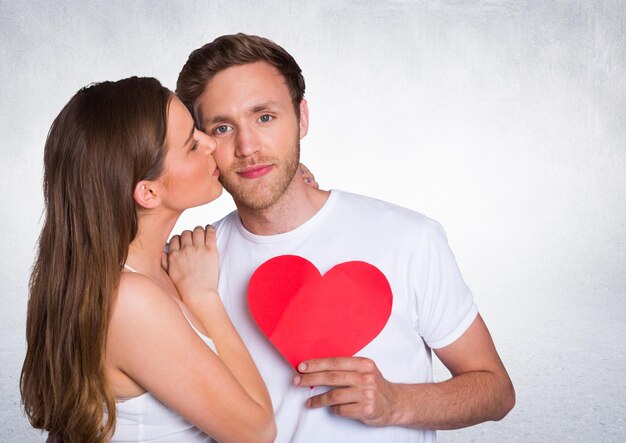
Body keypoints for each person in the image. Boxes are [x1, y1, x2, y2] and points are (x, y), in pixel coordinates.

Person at [175, 33, 516, 442]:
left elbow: (496, 389)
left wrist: (398, 402)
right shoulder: (188, 268)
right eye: (224, 127)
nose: (247, 147)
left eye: (265, 117)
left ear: (301, 118)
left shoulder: (409, 238)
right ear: (203, 141)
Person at [20, 77, 286, 442]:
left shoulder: (152, 270)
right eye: (193, 144)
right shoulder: (129, 301)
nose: (210, 141)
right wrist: (203, 299)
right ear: (147, 192)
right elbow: (256, 432)